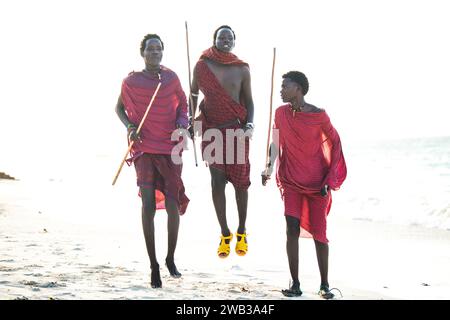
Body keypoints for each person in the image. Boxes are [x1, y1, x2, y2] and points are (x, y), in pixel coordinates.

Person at [261, 71, 347, 299]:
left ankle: (324, 285)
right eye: (280, 87)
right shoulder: (280, 113)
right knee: (291, 228)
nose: (281, 90)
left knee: (320, 234)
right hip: (290, 180)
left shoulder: (319, 116)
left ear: (298, 89)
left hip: (317, 183)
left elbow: (336, 143)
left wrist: (330, 179)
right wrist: (268, 168)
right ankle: (295, 283)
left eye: (285, 86)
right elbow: (275, 141)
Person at [115, 34, 190, 288]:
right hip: (144, 147)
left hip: (170, 147)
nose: (155, 52)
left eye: (159, 48)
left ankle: (170, 258)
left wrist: (181, 124)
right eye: (151, 49)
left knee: (173, 204)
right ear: (142, 52)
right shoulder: (131, 81)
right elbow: (119, 109)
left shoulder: (171, 78)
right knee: (147, 205)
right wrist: (130, 127)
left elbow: (184, 105)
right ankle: (153, 265)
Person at [190, 25, 255, 258]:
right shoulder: (201, 65)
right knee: (217, 182)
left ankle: (242, 230)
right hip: (211, 129)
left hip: (236, 129)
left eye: (229, 37)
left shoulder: (242, 69)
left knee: (240, 183)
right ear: (214, 39)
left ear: (234, 41)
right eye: (221, 37)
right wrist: (191, 120)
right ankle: (225, 234)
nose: (225, 40)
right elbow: (194, 95)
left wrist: (250, 124)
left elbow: (249, 101)